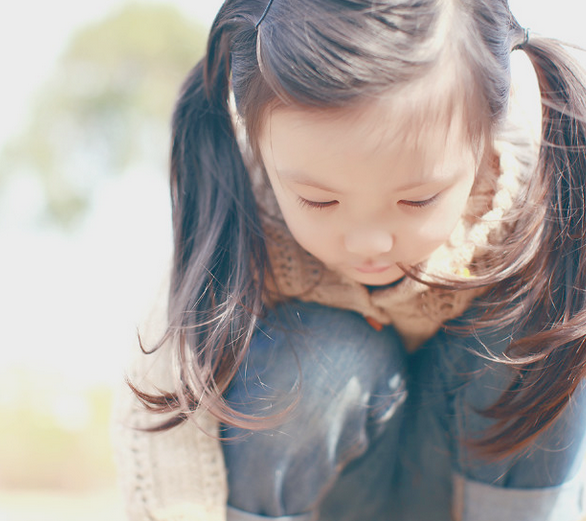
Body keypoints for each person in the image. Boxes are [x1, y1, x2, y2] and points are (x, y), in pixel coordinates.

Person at [112, 1, 586, 520]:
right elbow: (169, 419)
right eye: (319, 201)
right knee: (323, 361)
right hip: (325, 493)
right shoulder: (240, 206)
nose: (367, 242)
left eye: (416, 199)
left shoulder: (550, 177)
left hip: (480, 474)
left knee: (550, 312)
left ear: (489, 132)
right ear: (258, 144)